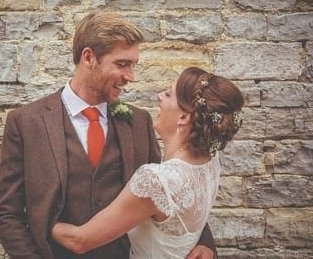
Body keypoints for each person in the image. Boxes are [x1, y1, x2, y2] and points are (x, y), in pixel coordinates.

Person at [0, 12, 218, 258]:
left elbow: (172, 191)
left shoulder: (140, 122)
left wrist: (203, 242)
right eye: (122, 64)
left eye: (133, 65)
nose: (130, 76)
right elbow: (8, 214)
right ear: (89, 57)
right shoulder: (26, 122)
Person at [51, 67, 244, 258]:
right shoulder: (210, 161)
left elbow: (80, 241)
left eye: (168, 94)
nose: (159, 96)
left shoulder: (156, 181)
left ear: (184, 117)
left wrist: (36, 218)